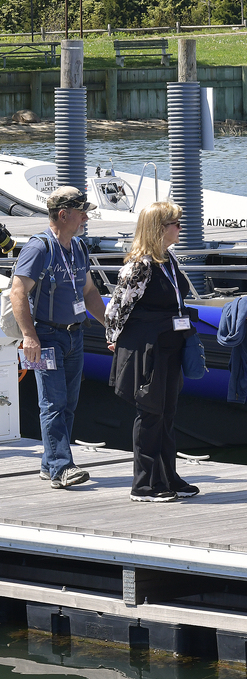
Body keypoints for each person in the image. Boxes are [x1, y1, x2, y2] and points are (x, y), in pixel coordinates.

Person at [11, 187, 107, 490]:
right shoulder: (39, 248)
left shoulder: (78, 247)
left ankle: (49, 463)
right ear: (63, 215)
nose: (86, 218)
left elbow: (89, 292)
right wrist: (30, 336)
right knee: (52, 403)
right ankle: (62, 468)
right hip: (46, 337)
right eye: (81, 212)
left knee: (68, 404)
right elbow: (18, 292)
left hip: (74, 336)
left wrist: (110, 325)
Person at [105, 201, 199, 502]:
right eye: (176, 223)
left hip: (171, 346)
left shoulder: (167, 260)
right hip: (148, 349)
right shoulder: (140, 265)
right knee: (150, 414)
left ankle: (167, 475)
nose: (180, 228)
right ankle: (144, 484)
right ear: (159, 228)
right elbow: (116, 310)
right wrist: (113, 339)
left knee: (167, 413)